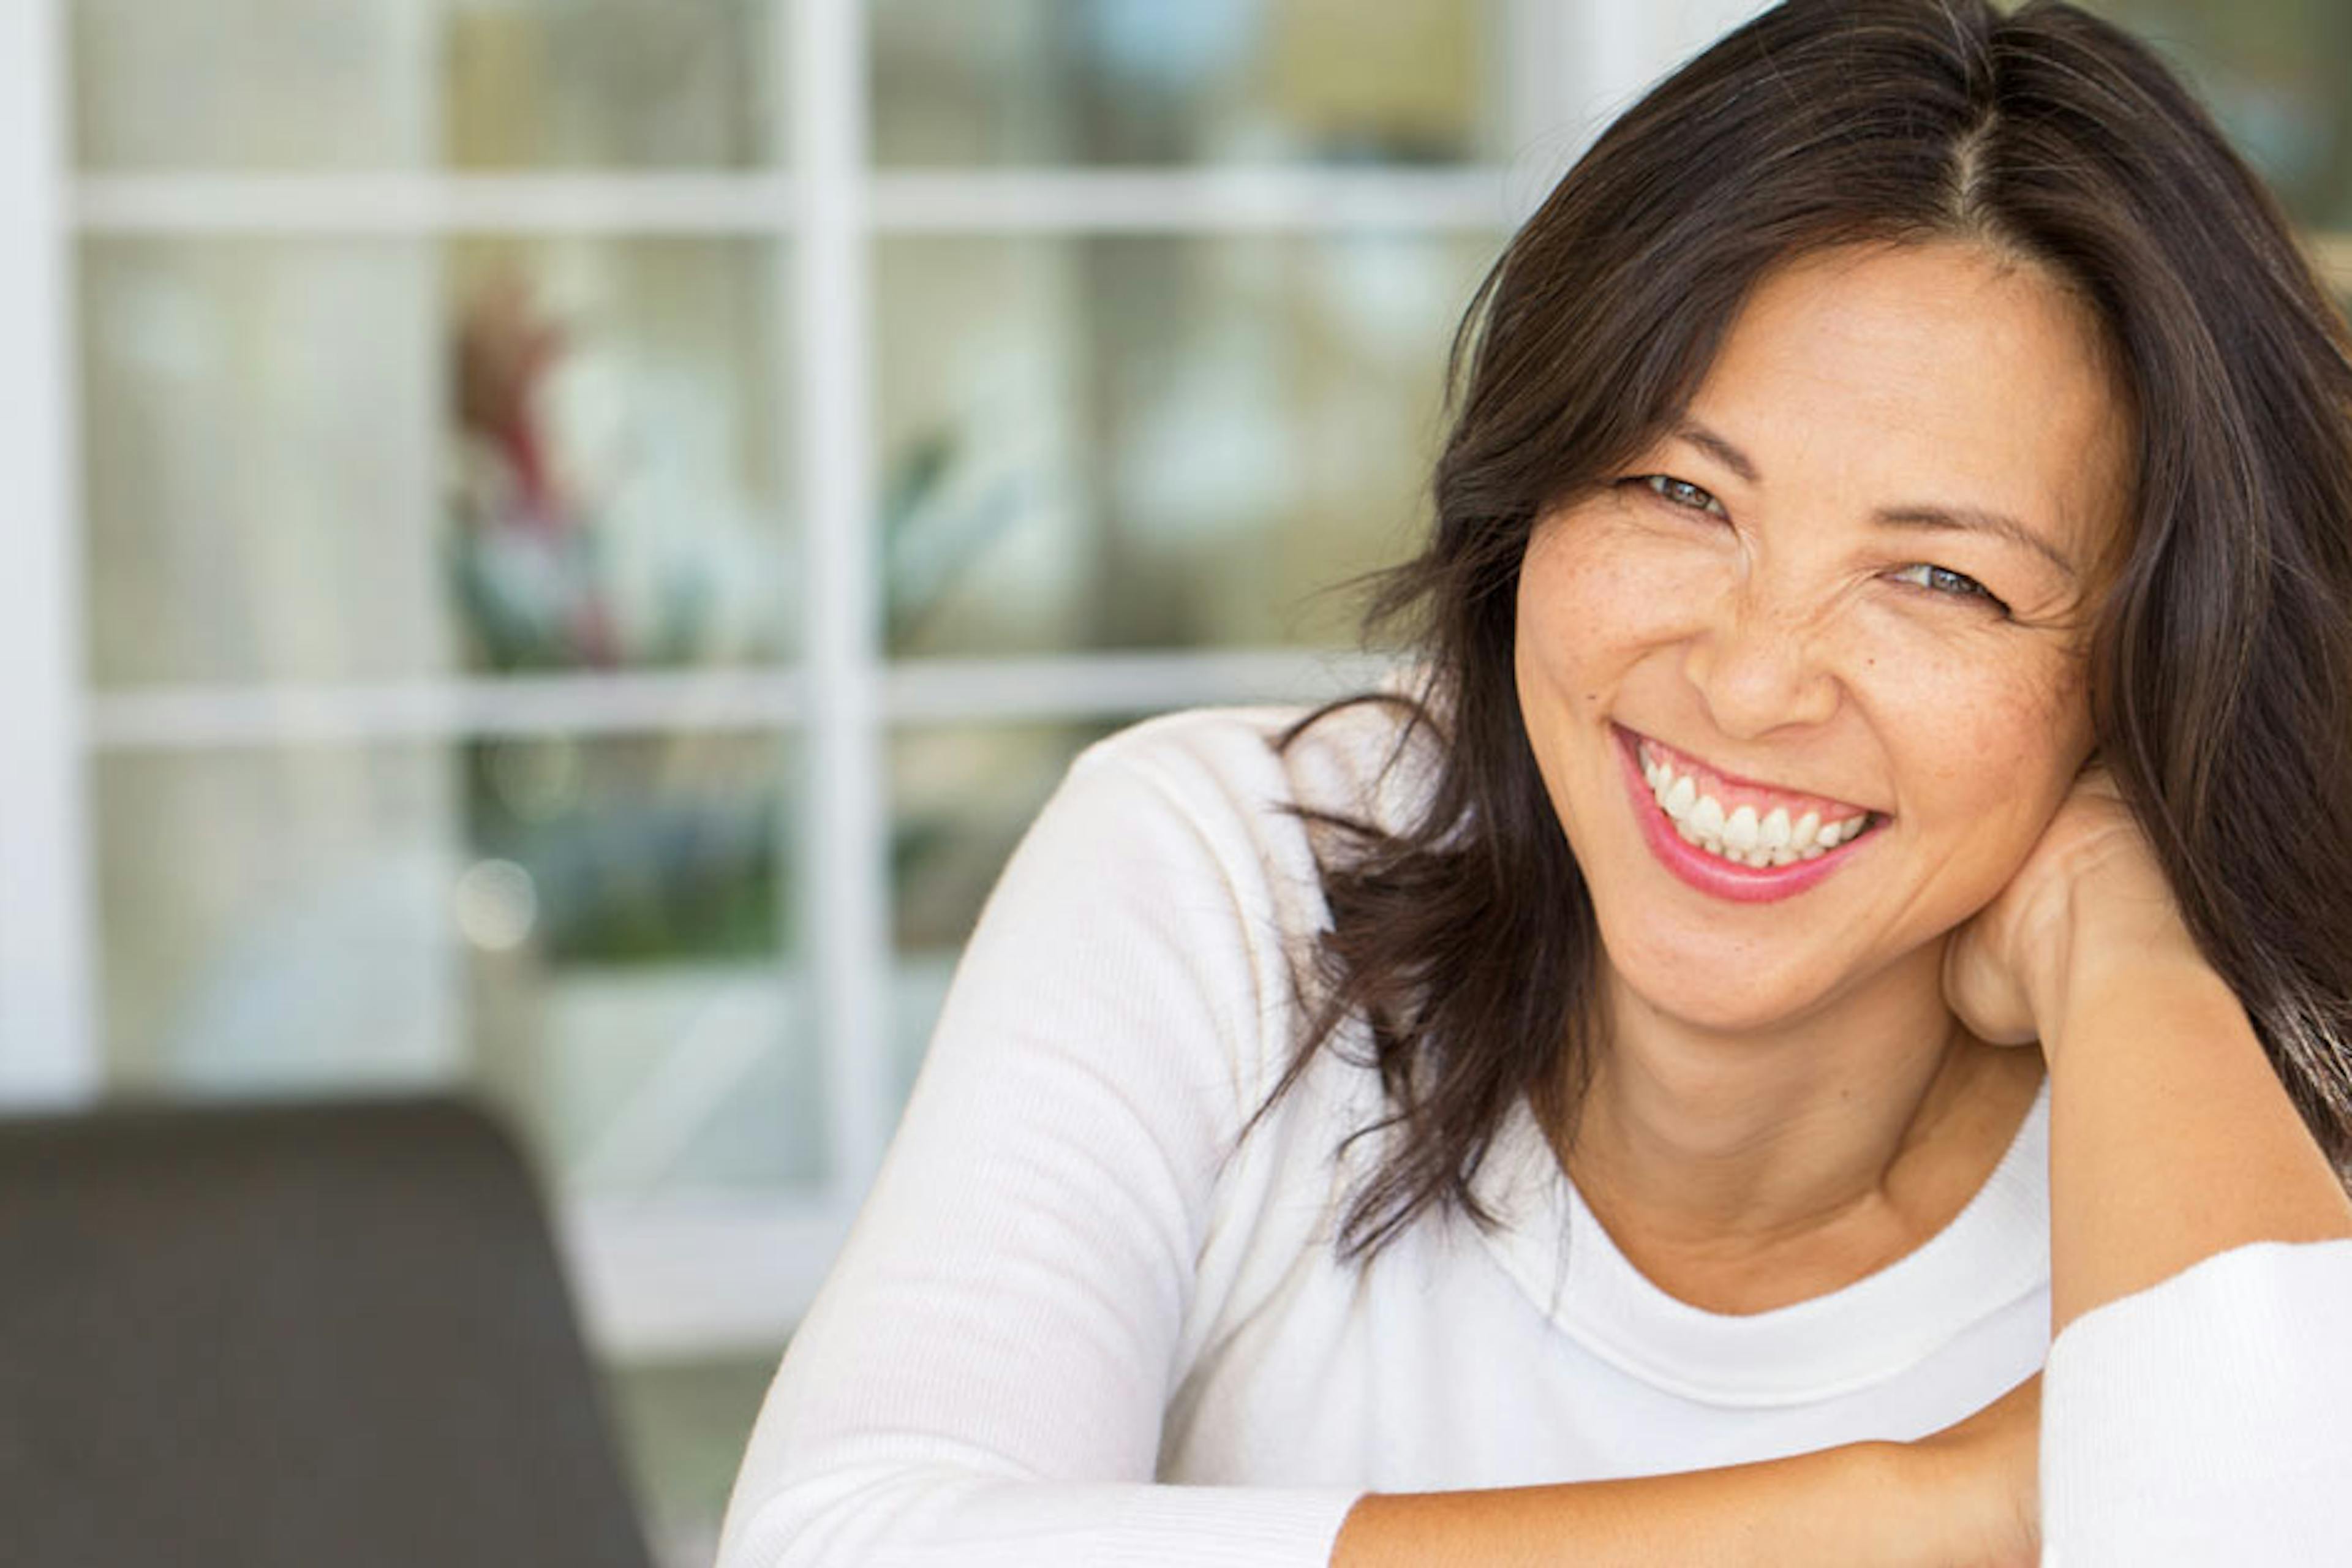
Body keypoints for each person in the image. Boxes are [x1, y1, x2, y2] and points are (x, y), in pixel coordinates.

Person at [718, 2, 2352, 1562]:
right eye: (1676, 490)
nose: (1751, 677)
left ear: (2151, 663)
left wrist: (2128, 936)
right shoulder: (1233, 869)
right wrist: (1919, 1513)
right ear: (1534, 497)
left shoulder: (2235, 1102)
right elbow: (845, 1543)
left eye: (1941, 581)